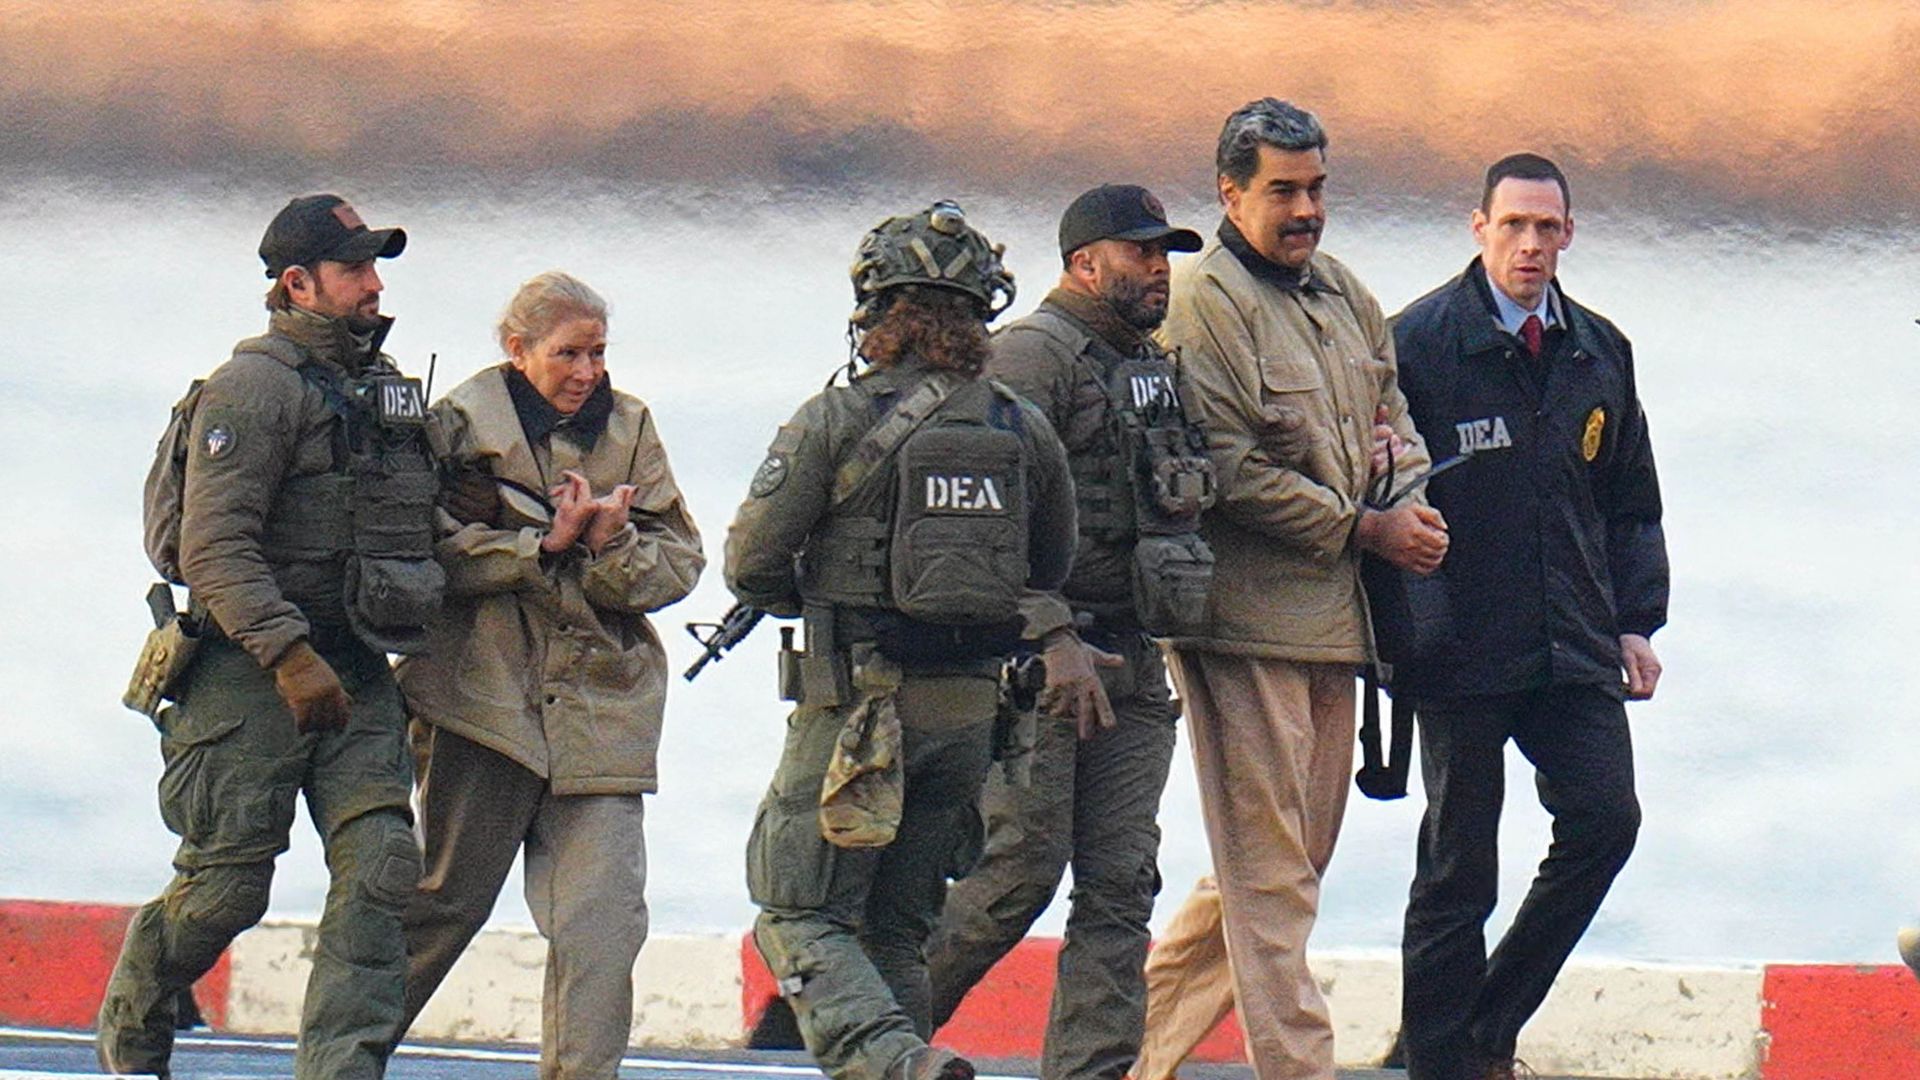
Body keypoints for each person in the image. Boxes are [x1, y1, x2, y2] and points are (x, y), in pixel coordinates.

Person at [725, 201, 1080, 1080]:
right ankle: (909, 1060)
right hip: (970, 716)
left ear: (876, 307)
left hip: (855, 706)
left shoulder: (835, 420)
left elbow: (750, 562)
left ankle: (895, 1061)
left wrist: (815, 583)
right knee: (899, 927)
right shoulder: (1019, 426)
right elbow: (1051, 562)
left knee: (797, 910)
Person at [99, 194, 436, 1079]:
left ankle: (341, 1071)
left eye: (375, 266)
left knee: (381, 870)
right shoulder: (253, 389)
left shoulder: (384, 387)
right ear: (298, 283)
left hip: (355, 668)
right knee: (225, 892)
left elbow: (428, 522)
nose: (373, 283)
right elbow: (213, 549)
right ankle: (138, 1011)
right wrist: (290, 659)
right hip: (246, 674)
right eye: (354, 267)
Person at [1155, 98, 1448, 1080]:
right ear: (1232, 192)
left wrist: (1397, 490)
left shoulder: (1345, 297)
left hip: (1339, 628)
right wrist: (1365, 522)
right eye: (1284, 190)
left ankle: (1123, 1054)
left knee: (1278, 874)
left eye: (1317, 187)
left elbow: (1397, 425)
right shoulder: (1202, 305)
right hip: (1241, 627)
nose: (1306, 208)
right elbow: (1229, 470)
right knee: (1272, 881)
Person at [1387, 153, 1668, 1080]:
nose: (1531, 245)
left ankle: (1485, 1027)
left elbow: (1631, 504)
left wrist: (1637, 623)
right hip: (1458, 644)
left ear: (1569, 235)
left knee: (1605, 820)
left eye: (1548, 228)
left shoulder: (1600, 349)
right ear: (1479, 227)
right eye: (1513, 225)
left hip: (1573, 642)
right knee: (1458, 873)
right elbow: (1376, 493)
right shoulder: (1417, 344)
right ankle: (1437, 1062)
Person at [921, 183, 1207, 1080]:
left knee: (1121, 891)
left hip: (1134, 660)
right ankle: (875, 1040)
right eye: (1139, 252)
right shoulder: (1032, 358)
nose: (1158, 269)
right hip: (1042, 666)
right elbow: (979, 522)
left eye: (1164, 253)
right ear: (1085, 264)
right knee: (1014, 879)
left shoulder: (1152, 364)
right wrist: (1047, 635)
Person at [389, 272, 705, 1078]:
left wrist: (607, 546)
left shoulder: (631, 427)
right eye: (568, 353)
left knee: (601, 929)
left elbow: (681, 562)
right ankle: (341, 1060)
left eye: (598, 352)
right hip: (482, 705)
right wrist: (541, 547)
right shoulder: (455, 425)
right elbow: (420, 554)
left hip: (601, 710)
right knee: (441, 909)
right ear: (516, 348)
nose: (587, 371)